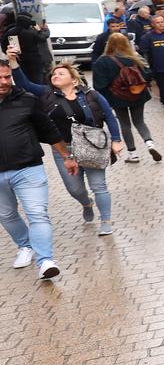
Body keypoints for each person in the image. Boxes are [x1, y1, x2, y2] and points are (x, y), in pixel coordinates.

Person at [12, 60, 121, 236]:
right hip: (64, 150)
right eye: (54, 75)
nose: (56, 76)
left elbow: (109, 114)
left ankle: (106, 221)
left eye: (61, 73)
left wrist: (116, 139)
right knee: (75, 189)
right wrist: (13, 62)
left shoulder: (91, 94)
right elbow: (25, 84)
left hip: (92, 146)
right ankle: (86, 203)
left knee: (99, 185)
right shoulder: (46, 93)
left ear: (74, 80)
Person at [0, 57, 73, 281]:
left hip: (28, 168)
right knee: (6, 214)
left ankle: (46, 261)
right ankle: (25, 245)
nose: (4, 81)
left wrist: (66, 156)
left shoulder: (27, 100)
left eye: (6, 77)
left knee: (37, 214)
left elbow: (48, 130)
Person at [91, 32, 161, 163]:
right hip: (137, 94)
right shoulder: (134, 57)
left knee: (125, 124)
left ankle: (133, 154)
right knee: (140, 122)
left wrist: (106, 100)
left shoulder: (102, 61)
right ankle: (150, 143)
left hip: (117, 97)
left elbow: (99, 85)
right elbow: (148, 74)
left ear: (108, 44)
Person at [12, 12, 51, 84]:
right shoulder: (31, 32)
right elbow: (42, 37)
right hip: (35, 60)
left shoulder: (11, 31)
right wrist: (42, 30)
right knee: (37, 80)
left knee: (26, 79)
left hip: (21, 59)